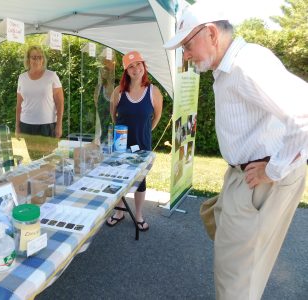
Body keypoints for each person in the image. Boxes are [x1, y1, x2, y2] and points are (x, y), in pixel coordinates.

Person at [163, 1, 308, 299]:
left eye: (188, 46)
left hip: (260, 176)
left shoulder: (247, 64)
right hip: (243, 173)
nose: (186, 56)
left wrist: (273, 169)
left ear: (212, 34)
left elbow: (303, 113)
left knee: (236, 279)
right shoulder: (228, 66)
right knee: (215, 220)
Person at [106, 51, 163, 231]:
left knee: (140, 181)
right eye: (131, 66)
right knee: (118, 178)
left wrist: (145, 131)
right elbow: (113, 116)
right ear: (126, 71)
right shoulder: (118, 91)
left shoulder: (153, 92)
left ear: (144, 66)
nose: (135, 68)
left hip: (142, 145)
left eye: (138, 64)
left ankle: (138, 215)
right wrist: (121, 134)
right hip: (121, 146)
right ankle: (120, 211)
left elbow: (157, 117)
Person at [15, 45, 64, 160]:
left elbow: (60, 103)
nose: (36, 60)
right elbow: (18, 105)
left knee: (50, 160)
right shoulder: (22, 78)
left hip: (47, 126)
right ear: (28, 60)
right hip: (27, 125)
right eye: (33, 57)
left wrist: (59, 125)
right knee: (34, 161)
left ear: (43, 59)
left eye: (39, 57)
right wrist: (17, 127)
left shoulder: (52, 76)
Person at [93, 57, 115, 144]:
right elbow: (96, 104)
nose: (104, 72)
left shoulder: (116, 88)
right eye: (102, 69)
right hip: (102, 136)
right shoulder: (99, 88)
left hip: (116, 136)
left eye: (106, 69)